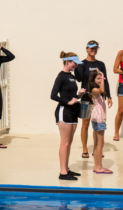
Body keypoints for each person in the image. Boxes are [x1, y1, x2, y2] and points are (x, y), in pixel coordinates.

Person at [51, 51, 86, 180]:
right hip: (64, 111)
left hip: (73, 112)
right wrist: (67, 102)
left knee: (69, 142)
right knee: (65, 142)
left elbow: (72, 97)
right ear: (68, 62)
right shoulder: (61, 76)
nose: (75, 66)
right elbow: (53, 95)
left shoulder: (71, 76)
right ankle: (63, 173)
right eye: (74, 64)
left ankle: (67, 169)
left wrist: (78, 96)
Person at [75, 40, 112, 158]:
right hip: (87, 98)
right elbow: (79, 79)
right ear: (86, 49)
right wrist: (77, 65)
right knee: (85, 124)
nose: (93, 50)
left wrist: (109, 95)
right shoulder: (82, 64)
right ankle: (85, 149)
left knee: (97, 124)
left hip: (98, 98)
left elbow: (105, 81)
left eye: (95, 48)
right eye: (91, 48)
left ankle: (97, 148)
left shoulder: (101, 64)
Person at [88, 70, 113, 174]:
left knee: (97, 143)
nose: (100, 80)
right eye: (98, 78)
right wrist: (103, 76)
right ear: (93, 80)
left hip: (98, 119)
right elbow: (102, 89)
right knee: (100, 143)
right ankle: (98, 167)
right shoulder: (94, 90)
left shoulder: (97, 90)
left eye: (100, 78)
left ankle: (97, 166)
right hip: (98, 119)